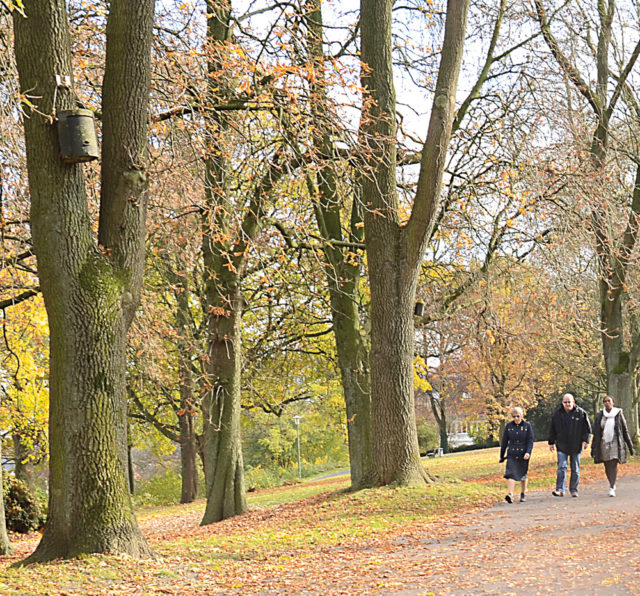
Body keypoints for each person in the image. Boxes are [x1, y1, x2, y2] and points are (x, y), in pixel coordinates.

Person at [548, 393, 591, 497]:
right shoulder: (557, 415)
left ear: (573, 402)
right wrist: (551, 442)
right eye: (565, 402)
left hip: (576, 445)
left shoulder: (581, 413)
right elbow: (552, 429)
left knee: (575, 469)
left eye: (569, 402)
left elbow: (587, 429)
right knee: (562, 467)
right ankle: (560, 489)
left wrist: (586, 440)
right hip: (562, 445)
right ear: (562, 403)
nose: (567, 404)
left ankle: (573, 489)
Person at [591, 395, 634, 497]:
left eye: (609, 401)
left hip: (615, 441)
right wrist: (593, 448)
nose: (607, 403)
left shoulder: (618, 414)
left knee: (613, 463)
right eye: (605, 401)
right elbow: (596, 432)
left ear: (613, 402)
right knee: (607, 465)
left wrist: (630, 446)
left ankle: (611, 486)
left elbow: (624, 430)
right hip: (604, 442)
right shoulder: (600, 415)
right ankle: (611, 483)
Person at [500, 407, 534, 503]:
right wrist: (502, 455)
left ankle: (523, 493)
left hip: (523, 454)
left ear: (522, 416)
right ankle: (510, 494)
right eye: (514, 416)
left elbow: (530, 441)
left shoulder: (527, 426)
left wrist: (528, 452)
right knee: (510, 473)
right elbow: (504, 441)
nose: (516, 418)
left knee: (523, 474)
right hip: (512, 453)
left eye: (518, 416)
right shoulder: (509, 426)